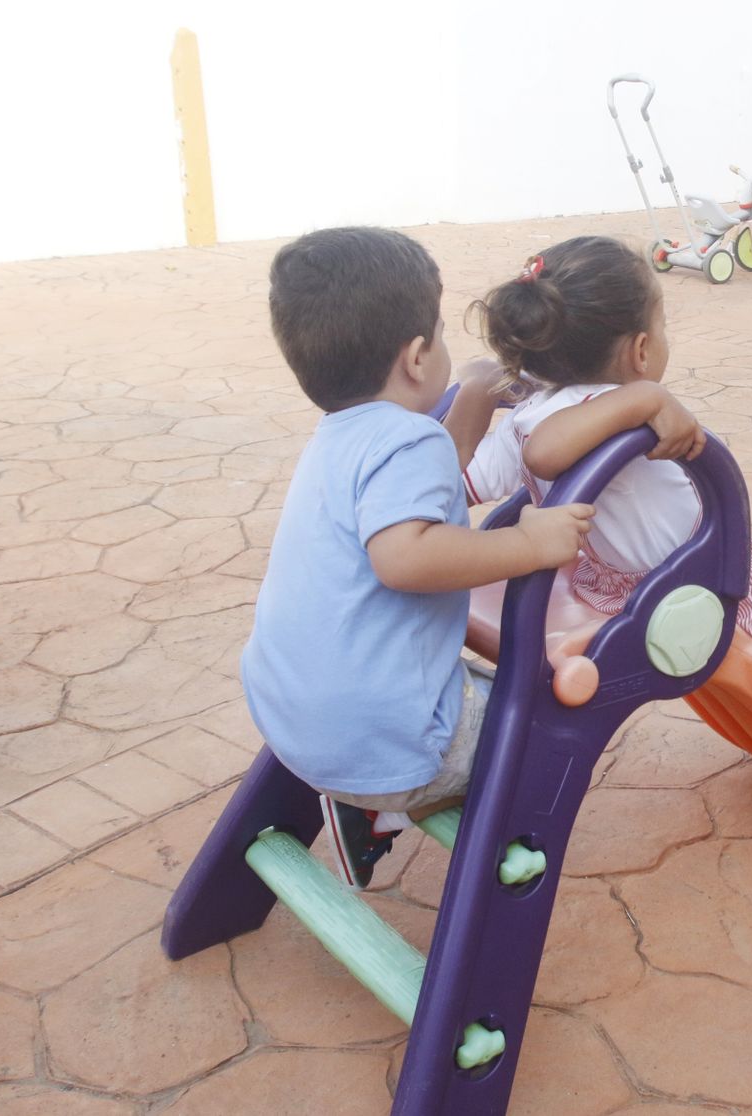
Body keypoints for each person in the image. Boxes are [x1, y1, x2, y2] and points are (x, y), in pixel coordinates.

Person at [241, 227, 595, 889]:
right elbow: (405, 556)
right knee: (546, 716)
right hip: (379, 743)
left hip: (289, 715)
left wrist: (474, 399)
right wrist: (528, 542)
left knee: (464, 678)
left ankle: (367, 812)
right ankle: (394, 811)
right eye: (440, 328)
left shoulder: (344, 436)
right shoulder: (406, 443)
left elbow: (431, 479)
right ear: (416, 358)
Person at [461, 235, 752, 740]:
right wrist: (645, 397)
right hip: (687, 576)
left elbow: (463, 485)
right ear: (641, 350)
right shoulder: (605, 406)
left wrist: (474, 394)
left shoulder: (526, 413)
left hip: (619, 580)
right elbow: (545, 452)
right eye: (663, 327)